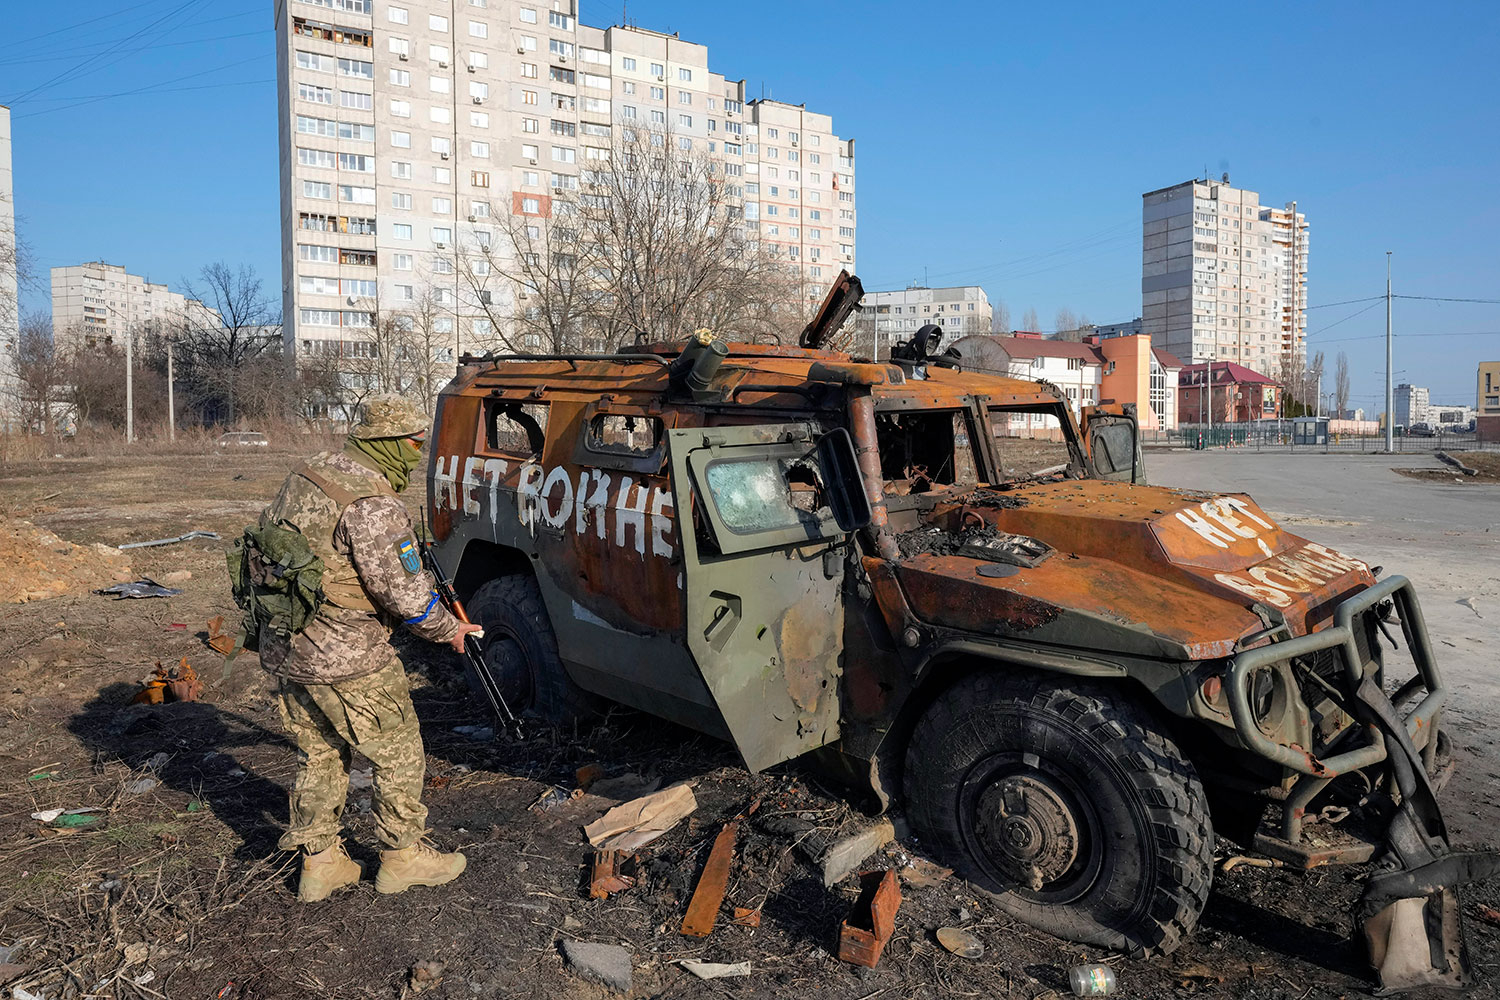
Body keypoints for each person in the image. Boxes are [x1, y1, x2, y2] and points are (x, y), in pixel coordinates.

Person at [254, 395, 482, 902]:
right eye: (414, 444)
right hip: (345, 653)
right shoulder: (373, 503)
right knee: (398, 747)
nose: (417, 453)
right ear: (389, 443)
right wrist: (450, 631)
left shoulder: (311, 472)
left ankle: (320, 864)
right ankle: (402, 857)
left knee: (318, 751)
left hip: (287, 642)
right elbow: (403, 594)